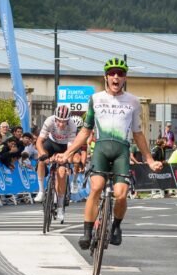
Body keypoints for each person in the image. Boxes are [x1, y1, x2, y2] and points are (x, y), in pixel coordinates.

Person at [56, 58, 162, 249]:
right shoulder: (95, 99)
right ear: (105, 76)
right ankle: (87, 233)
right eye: (112, 73)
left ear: (124, 78)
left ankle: (116, 226)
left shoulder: (133, 101)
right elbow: (85, 131)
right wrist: (67, 153)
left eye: (120, 74)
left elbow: (138, 134)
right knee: (96, 187)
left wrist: (150, 160)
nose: (115, 77)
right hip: (101, 150)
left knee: (121, 195)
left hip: (121, 151)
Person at [34, 104, 84, 222]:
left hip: (65, 147)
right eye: (59, 121)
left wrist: (64, 158)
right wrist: (43, 155)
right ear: (55, 118)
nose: (61, 124)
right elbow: (39, 141)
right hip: (51, 143)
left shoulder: (72, 125)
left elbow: (70, 149)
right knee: (41, 160)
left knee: (61, 173)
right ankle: (41, 191)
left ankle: (60, 207)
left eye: (64, 121)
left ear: (68, 120)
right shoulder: (49, 121)